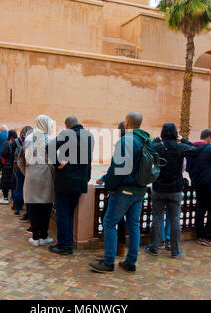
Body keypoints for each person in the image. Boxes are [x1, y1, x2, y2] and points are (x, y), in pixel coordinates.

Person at [89, 112, 151, 274]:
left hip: (124, 190)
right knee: (134, 225)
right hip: (140, 191)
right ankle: (130, 262)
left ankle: (108, 262)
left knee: (109, 222)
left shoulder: (126, 141)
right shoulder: (146, 140)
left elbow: (118, 168)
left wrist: (108, 183)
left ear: (127, 123)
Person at [145, 123, 196, 258]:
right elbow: (195, 149)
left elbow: (146, 148)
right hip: (175, 189)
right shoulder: (181, 148)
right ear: (175, 134)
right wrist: (183, 139)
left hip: (159, 188)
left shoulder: (157, 147)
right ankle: (175, 250)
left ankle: (154, 248)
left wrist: (156, 140)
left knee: (157, 218)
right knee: (174, 219)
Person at [48, 116, 94, 256]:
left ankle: (64, 245)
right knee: (69, 213)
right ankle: (68, 243)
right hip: (81, 180)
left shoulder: (66, 133)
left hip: (66, 180)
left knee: (63, 213)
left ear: (67, 126)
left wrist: (57, 164)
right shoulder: (89, 136)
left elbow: (49, 148)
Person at [18, 115, 55, 247]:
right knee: (46, 206)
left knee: (33, 206)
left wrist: (27, 172)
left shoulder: (28, 138)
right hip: (46, 175)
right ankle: (44, 236)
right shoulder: (50, 139)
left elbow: (20, 160)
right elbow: (55, 160)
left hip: (31, 174)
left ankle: (35, 237)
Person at [186, 129, 211, 247]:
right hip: (210, 183)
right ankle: (208, 236)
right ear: (208, 138)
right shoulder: (208, 149)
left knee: (200, 209)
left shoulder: (191, 149)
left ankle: (200, 235)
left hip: (197, 184)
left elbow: (187, 167)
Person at [95, 121, 128, 259]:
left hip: (119, 189)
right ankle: (122, 250)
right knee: (125, 221)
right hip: (134, 190)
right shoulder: (138, 143)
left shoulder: (123, 144)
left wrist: (105, 178)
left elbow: (116, 168)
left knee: (107, 219)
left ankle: (110, 254)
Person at [14, 126, 33, 219]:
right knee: (28, 190)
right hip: (29, 168)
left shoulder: (17, 141)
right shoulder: (32, 140)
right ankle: (28, 211)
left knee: (19, 187)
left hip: (19, 167)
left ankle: (17, 209)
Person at [0, 130, 18, 206]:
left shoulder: (7, 143)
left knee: (5, 181)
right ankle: (13, 197)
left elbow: (3, 153)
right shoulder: (17, 142)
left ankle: (5, 198)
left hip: (7, 165)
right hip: (15, 165)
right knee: (14, 181)